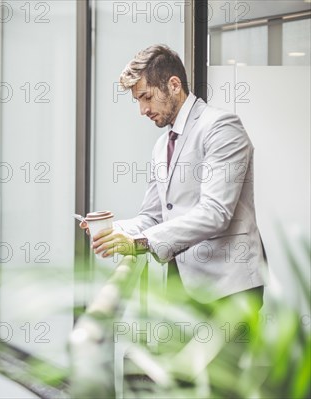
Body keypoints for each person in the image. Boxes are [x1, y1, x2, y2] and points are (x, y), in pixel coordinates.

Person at [81, 44, 266, 309]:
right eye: (138, 101)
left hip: (230, 289)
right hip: (184, 286)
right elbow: (154, 215)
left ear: (174, 85)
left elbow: (215, 213)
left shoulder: (221, 127)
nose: (142, 110)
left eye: (146, 97)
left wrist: (139, 243)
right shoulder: (161, 145)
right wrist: (114, 231)